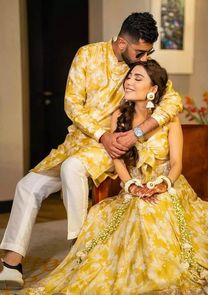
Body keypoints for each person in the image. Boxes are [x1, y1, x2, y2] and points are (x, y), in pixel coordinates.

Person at [0, 12, 183, 290]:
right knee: (27, 185)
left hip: (113, 147)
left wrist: (136, 133)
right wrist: (100, 134)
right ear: (122, 43)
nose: (144, 58)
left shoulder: (142, 69)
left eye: (149, 52)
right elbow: (72, 104)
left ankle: (82, 249)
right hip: (80, 141)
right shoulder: (87, 55)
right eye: (140, 51)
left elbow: (173, 102)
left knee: (72, 168)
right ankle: (12, 263)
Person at [22, 59, 208, 294]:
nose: (130, 82)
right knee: (136, 208)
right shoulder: (119, 116)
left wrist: (163, 185)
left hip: (168, 185)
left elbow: (177, 164)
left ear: (153, 89)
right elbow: (117, 158)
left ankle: (161, 274)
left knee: (155, 207)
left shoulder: (169, 119)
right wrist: (132, 185)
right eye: (129, 77)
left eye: (138, 78)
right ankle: (138, 269)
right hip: (133, 185)